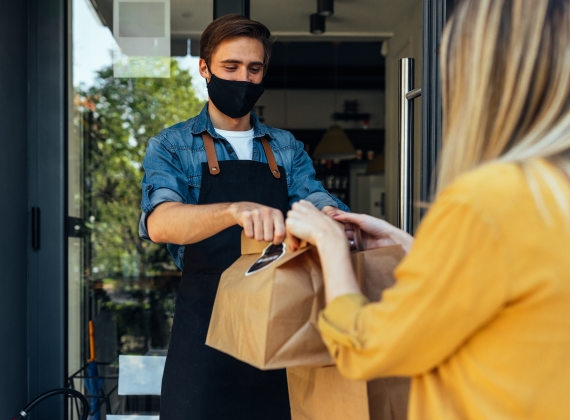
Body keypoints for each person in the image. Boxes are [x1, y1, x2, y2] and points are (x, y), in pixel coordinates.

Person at [286, 0, 570, 418]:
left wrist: (329, 243)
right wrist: (409, 246)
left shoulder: (487, 200)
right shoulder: (552, 193)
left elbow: (368, 348)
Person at [138, 14, 348, 420]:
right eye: (230, 68)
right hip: (202, 336)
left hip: (278, 331)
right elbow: (160, 222)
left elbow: (317, 199)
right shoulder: (172, 145)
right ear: (205, 68)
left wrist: (339, 221)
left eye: (254, 69)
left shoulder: (285, 147)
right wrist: (234, 210)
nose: (243, 79)